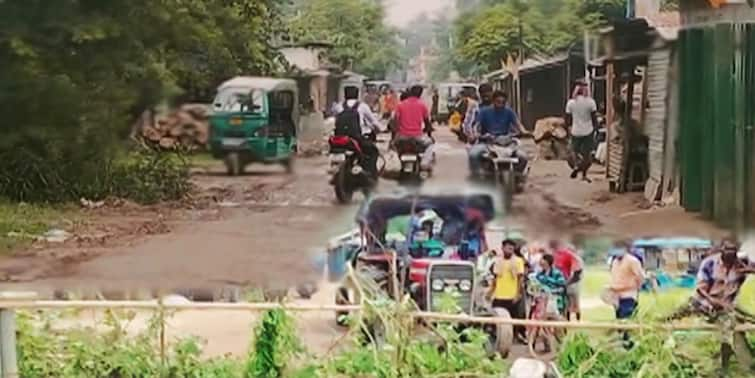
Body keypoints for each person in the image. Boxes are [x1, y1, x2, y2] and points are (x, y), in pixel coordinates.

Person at [467, 91, 528, 178]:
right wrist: (475, 134)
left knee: (523, 157)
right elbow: (477, 125)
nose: (500, 104)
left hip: (506, 142)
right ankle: (478, 176)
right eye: (498, 102)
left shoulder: (509, 112)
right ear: (493, 101)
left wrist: (524, 132)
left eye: (503, 102)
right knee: (474, 154)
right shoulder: (484, 112)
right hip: (488, 142)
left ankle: (517, 177)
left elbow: (518, 124)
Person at [333, 86, 382, 178]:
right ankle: (371, 176)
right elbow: (373, 122)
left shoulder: (338, 107)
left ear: (345, 95)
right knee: (373, 152)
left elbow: (335, 121)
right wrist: (379, 129)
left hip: (341, 139)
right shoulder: (363, 107)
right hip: (357, 139)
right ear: (357, 95)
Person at [606, 241, 645, 347]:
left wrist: (635, 288)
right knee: (619, 322)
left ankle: (630, 345)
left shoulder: (632, 261)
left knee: (627, 322)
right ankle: (623, 344)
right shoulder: (614, 262)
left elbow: (640, 277)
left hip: (628, 295)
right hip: (616, 296)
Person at [489, 239, 527, 343]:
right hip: (499, 295)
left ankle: (515, 337)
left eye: (512, 248)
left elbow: (520, 279)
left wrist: (518, 294)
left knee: (515, 319)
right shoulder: (498, 261)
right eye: (508, 248)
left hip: (512, 295)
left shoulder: (518, 261)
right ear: (502, 248)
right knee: (496, 318)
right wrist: (490, 292)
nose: (510, 250)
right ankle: (498, 338)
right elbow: (495, 279)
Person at [393, 85, 435, 170]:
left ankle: (396, 163)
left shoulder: (400, 105)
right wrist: (427, 129)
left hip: (402, 137)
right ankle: (424, 162)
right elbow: (427, 122)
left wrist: (397, 132)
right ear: (420, 94)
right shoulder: (422, 105)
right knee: (430, 144)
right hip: (418, 136)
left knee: (393, 146)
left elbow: (395, 121)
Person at [565, 82, 599, 182]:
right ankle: (584, 174)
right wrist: (596, 129)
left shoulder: (571, 103)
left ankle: (576, 166)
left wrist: (568, 129)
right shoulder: (591, 102)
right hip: (588, 131)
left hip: (576, 131)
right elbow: (594, 118)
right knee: (586, 154)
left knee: (574, 150)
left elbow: (567, 119)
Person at [550, 240, 584, 321]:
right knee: (566, 303)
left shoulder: (575, 259)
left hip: (572, 284)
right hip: (565, 283)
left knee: (574, 304)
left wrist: (567, 282)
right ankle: (566, 320)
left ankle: (576, 320)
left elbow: (577, 274)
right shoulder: (560, 256)